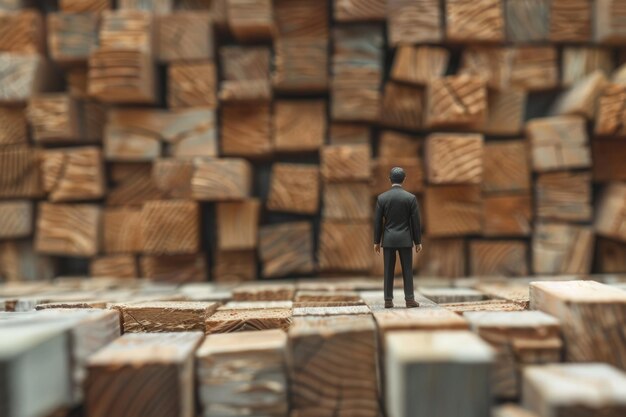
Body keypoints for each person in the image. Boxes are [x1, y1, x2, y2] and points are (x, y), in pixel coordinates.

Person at [373, 167, 422, 308]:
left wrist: (376, 241)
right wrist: (418, 241)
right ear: (404, 179)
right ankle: (409, 299)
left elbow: (377, 222)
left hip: (388, 239)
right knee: (407, 269)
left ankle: (388, 300)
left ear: (390, 179)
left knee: (388, 270)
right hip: (405, 239)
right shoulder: (410, 198)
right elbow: (415, 222)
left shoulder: (382, 198)